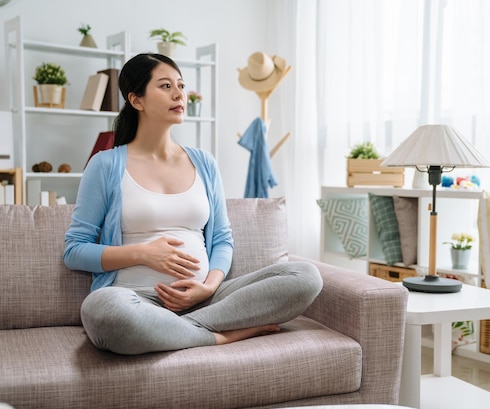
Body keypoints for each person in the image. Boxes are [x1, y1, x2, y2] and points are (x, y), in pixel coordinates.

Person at [63, 53, 323, 355]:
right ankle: (220, 336)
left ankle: (179, 331)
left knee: (304, 276)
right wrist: (143, 254)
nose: (179, 94)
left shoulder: (204, 162)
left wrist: (210, 286)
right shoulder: (106, 165)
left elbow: (223, 239)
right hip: (136, 300)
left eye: (181, 85)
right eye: (165, 86)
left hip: (209, 299)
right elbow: (75, 251)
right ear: (136, 100)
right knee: (103, 311)